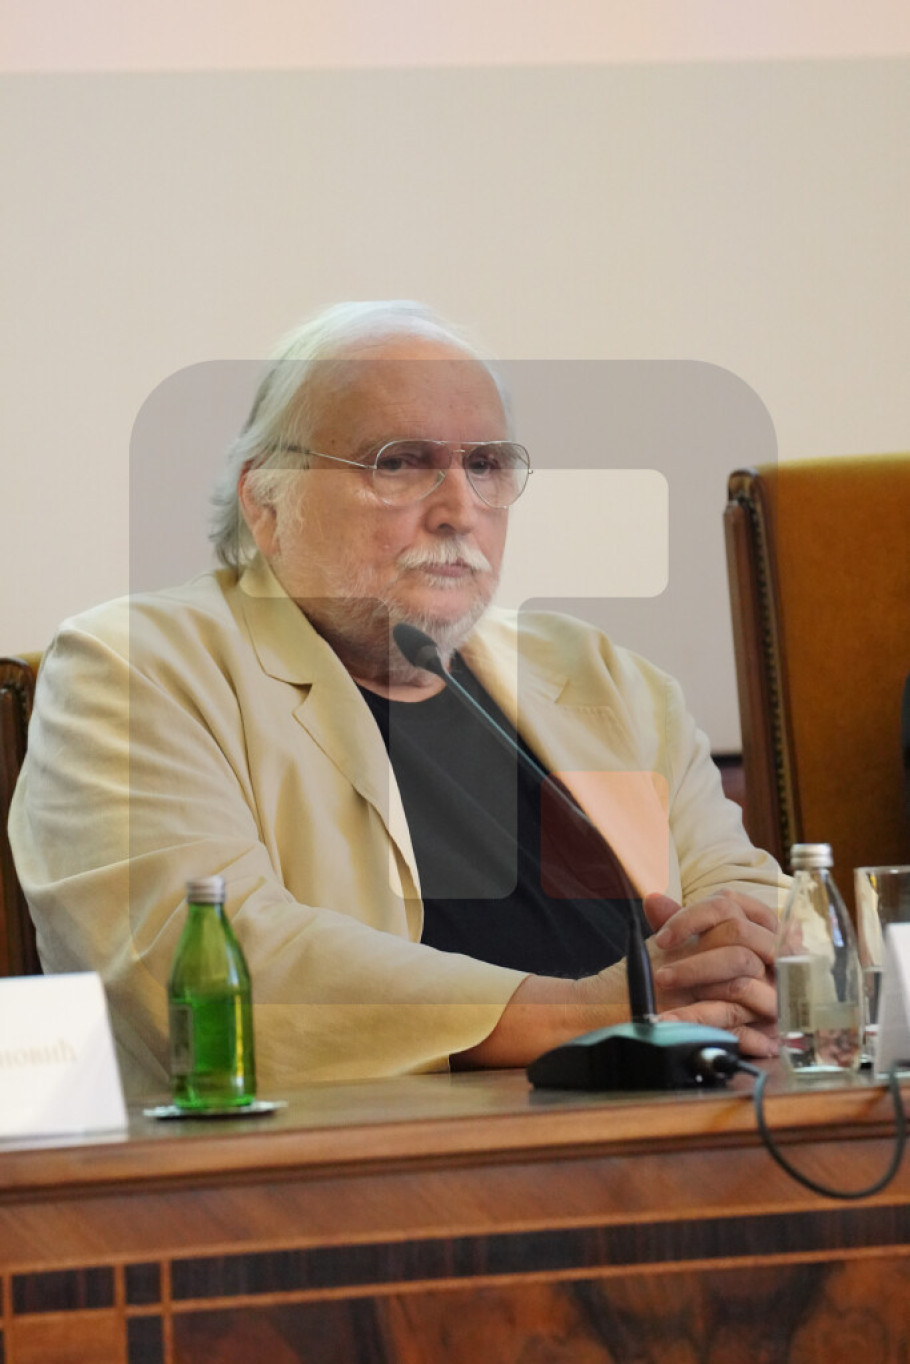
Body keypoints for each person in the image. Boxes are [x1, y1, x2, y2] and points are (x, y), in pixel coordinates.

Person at [10, 301, 786, 1097]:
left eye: (485, 465)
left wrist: (747, 961)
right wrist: (586, 1012)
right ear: (267, 502)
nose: (459, 510)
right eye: (401, 463)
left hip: (686, 1119)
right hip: (361, 1155)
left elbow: (748, 897)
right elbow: (209, 966)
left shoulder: (602, 677)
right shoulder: (134, 669)